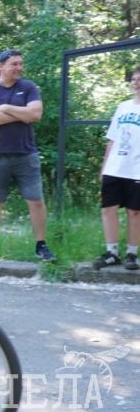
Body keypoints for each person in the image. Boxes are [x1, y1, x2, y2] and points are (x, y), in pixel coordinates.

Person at [0, 49, 55, 263]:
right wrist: (22, 114)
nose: (19, 68)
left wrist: (6, 108)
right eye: (14, 64)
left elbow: (36, 114)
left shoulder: (28, 87)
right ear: (1, 66)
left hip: (25, 153)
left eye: (21, 63)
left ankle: (41, 245)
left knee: (36, 200)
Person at [93, 66, 140, 270]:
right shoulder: (122, 107)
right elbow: (112, 139)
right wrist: (104, 167)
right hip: (115, 167)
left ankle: (132, 254)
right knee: (108, 209)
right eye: (134, 79)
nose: (136, 83)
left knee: (134, 212)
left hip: (136, 169)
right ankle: (112, 253)